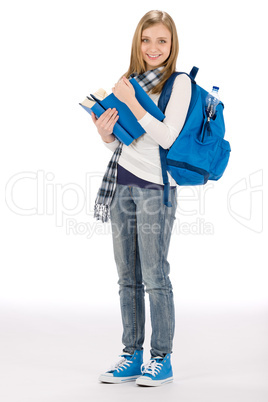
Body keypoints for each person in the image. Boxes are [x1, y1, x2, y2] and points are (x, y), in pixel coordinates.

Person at [91, 10, 191, 387]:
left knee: (154, 275)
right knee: (126, 278)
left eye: (161, 41)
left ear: (172, 44)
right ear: (138, 43)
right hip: (120, 184)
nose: (153, 48)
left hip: (155, 188)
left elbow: (167, 137)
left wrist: (132, 103)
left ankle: (160, 358)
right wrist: (104, 132)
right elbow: (123, 138)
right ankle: (131, 354)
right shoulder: (128, 81)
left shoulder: (178, 84)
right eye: (147, 40)